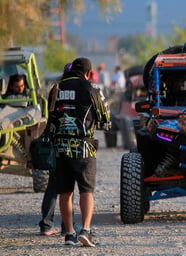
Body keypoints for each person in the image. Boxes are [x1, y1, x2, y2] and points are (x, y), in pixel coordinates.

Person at [49, 57, 110, 246]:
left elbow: (49, 116)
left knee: (65, 193)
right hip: (83, 148)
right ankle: (85, 230)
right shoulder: (92, 89)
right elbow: (105, 119)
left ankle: (69, 233)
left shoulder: (56, 88)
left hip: (60, 149)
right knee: (86, 191)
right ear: (89, 73)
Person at [38, 63, 80, 236]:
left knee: (56, 186)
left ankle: (52, 225)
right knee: (63, 187)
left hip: (55, 139)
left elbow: (51, 116)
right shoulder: (75, 90)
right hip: (66, 142)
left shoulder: (56, 88)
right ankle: (58, 226)